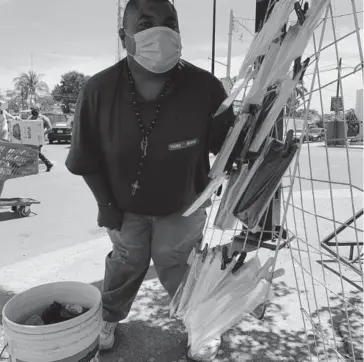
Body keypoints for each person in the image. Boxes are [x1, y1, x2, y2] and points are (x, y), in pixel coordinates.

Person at [66, 0, 243, 360]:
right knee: (126, 263)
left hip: (183, 205)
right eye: (145, 22)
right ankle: (110, 318)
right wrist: (105, 205)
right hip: (122, 207)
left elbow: (228, 149)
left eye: (170, 23)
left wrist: (249, 126)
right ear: (124, 36)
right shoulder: (98, 90)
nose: (159, 31)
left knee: (178, 262)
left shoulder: (205, 87)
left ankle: (199, 320)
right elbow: (85, 158)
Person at [28, 107, 54, 172]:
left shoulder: (43, 118)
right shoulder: (30, 118)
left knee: (36, 152)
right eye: (32, 111)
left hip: (39, 138)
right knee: (36, 152)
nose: (33, 112)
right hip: (32, 138)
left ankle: (47, 164)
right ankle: (48, 164)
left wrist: (43, 133)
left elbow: (50, 128)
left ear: (38, 110)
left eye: (34, 110)